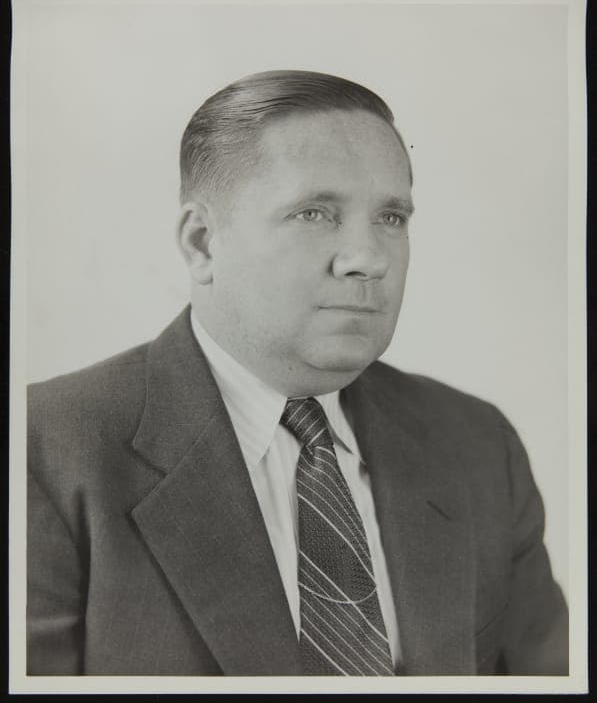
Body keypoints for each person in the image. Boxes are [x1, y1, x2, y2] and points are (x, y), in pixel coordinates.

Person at [27, 70, 568, 677]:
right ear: (202, 242)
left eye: (391, 218)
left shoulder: (476, 443)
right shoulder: (45, 449)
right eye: (314, 213)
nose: (367, 259)